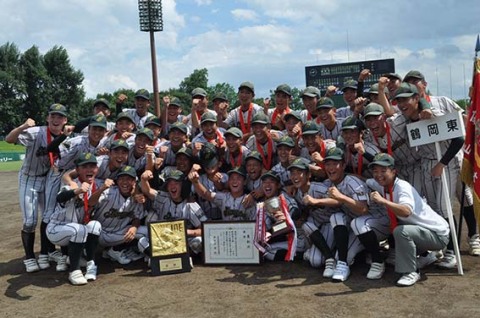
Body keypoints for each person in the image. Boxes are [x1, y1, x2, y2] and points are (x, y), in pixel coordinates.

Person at [393, 82, 464, 269]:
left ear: (417, 98)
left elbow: (459, 138)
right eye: (399, 101)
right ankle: (435, 250)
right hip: (425, 163)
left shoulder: (433, 113)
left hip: (443, 163)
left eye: (405, 99)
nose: (401, 104)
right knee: (431, 210)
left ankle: (452, 252)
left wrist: (442, 163)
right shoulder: (408, 119)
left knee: (444, 208)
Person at [367, 153, 450, 286]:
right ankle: (426, 256)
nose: (378, 175)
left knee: (401, 231)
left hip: (438, 235)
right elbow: (365, 181)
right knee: (399, 238)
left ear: (394, 171)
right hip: (423, 232)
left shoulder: (402, 187)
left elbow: (406, 212)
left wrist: (383, 201)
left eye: (383, 171)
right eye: (375, 171)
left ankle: (411, 272)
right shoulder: (382, 184)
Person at [5, 104, 68, 272]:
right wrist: (23, 126)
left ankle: (47, 252)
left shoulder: (65, 139)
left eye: (60, 117)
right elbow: (9, 139)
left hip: (48, 180)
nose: (56, 119)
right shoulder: (36, 132)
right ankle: (29, 257)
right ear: (47, 118)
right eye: (53, 116)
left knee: (49, 217)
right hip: (29, 178)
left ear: (65, 120)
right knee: (30, 221)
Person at [322, 147, 390, 281]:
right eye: (328, 164)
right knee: (336, 217)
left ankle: (378, 261)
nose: (331, 168)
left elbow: (363, 209)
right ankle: (343, 264)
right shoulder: (328, 183)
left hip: (379, 221)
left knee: (358, 223)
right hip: (360, 226)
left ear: (342, 165)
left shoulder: (352, 182)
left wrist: (342, 197)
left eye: (335, 163)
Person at [46, 152, 102, 285]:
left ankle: (89, 262)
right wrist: (76, 191)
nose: (89, 169)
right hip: (56, 229)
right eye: (85, 167)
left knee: (95, 225)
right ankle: (74, 271)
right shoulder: (72, 184)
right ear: (77, 170)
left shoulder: (97, 185)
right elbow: (60, 197)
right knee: (80, 229)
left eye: (92, 166)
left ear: (97, 169)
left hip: (75, 230)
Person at [138, 169, 207, 258]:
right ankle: (158, 259)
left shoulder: (191, 205)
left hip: (182, 241)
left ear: (183, 186)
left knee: (199, 240)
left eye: (176, 183)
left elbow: (204, 229)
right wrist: (144, 179)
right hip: (162, 240)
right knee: (142, 241)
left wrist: (186, 232)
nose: (172, 186)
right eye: (170, 183)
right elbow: (147, 191)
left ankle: (183, 258)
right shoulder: (162, 198)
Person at [288, 158, 338, 276]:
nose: (295, 176)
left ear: (308, 175)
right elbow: (306, 208)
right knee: (315, 261)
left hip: (333, 224)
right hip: (319, 226)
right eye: (292, 173)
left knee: (316, 259)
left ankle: (331, 260)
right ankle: (329, 255)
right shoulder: (299, 192)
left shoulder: (318, 187)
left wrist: (316, 201)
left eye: (299, 172)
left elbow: (338, 201)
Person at [89, 166, 146, 265]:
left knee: (146, 231)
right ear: (117, 180)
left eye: (128, 179)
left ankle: (115, 250)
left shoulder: (136, 198)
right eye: (122, 179)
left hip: (118, 234)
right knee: (93, 225)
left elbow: (137, 216)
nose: (125, 182)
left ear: (134, 182)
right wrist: (102, 188)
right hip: (100, 234)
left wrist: (134, 227)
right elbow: (91, 203)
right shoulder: (109, 192)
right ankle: (89, 259)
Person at [254, 171, 299, 261]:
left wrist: (287, 216)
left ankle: (301, 255)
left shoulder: (283, 197)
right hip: (281, 238)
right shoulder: (262, 202)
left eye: (271, 181)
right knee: (265, 251)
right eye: (265, 182)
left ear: (278, 185)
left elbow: (295, 213)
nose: (268, 184)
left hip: (296, 238)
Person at [190, 166, 255, 221]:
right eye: (232, 178)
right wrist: (196, 182)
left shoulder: (249, 199)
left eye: (238, 178)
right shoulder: (223, 197)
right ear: (228, 181)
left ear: (244, 182)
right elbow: (205, 194)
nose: (234, 181)